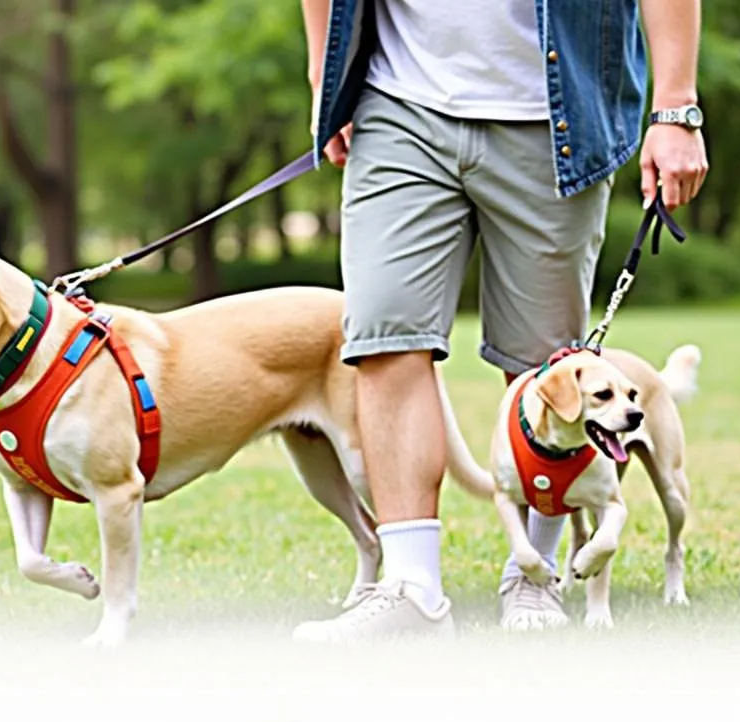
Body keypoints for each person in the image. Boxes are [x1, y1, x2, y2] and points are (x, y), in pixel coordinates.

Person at [295, 0, 708, 641]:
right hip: (396, 101)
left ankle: (535, 577)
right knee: (383, 336)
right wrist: (327, 71)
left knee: (546, 367)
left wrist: (676, 106)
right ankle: (411, 589)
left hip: (556, 110)